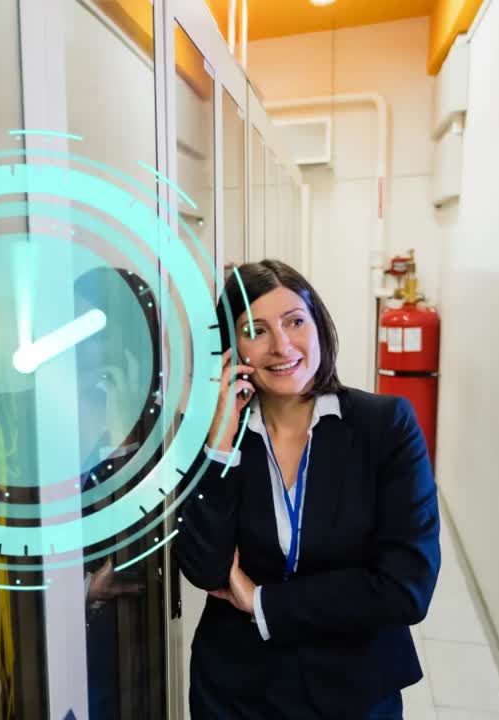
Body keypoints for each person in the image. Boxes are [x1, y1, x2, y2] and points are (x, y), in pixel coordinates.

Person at [173, 259, 440, 719]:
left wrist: (262, 601)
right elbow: (205, 568)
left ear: (319, 328)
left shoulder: (385, 426)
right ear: (230, 349)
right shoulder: (214, 435)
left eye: (295, 322)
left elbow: (406, 587)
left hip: (353, 690)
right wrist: (220, 445)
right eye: (256, 330)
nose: (281, 346)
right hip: (237, 692)